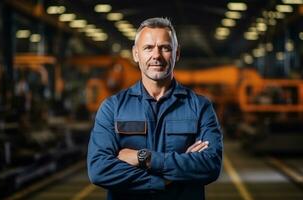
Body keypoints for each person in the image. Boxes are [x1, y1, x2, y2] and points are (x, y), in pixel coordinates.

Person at [87, 17, 223, 200]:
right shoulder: (112, 108)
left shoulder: (200, 107)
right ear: (136, 54)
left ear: (176, 54)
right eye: (148, 48)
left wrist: (145, 157)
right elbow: (99, 170)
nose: (156, 56)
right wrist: (164, 181)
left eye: (165, 48)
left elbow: (210, 165)